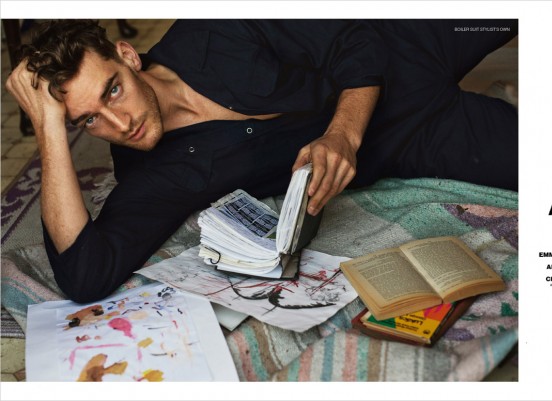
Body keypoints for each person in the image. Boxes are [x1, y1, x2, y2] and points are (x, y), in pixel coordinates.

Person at [5, 19, 518, 302]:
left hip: (405, 37)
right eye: (88, 120)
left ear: (128, 55)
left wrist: (342, 133)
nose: (119, 125)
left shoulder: (212, 30)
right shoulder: (155, 176)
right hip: (419, 140)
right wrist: (49, 128)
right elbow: (85, 275)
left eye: (113, 90)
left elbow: (353, 38)